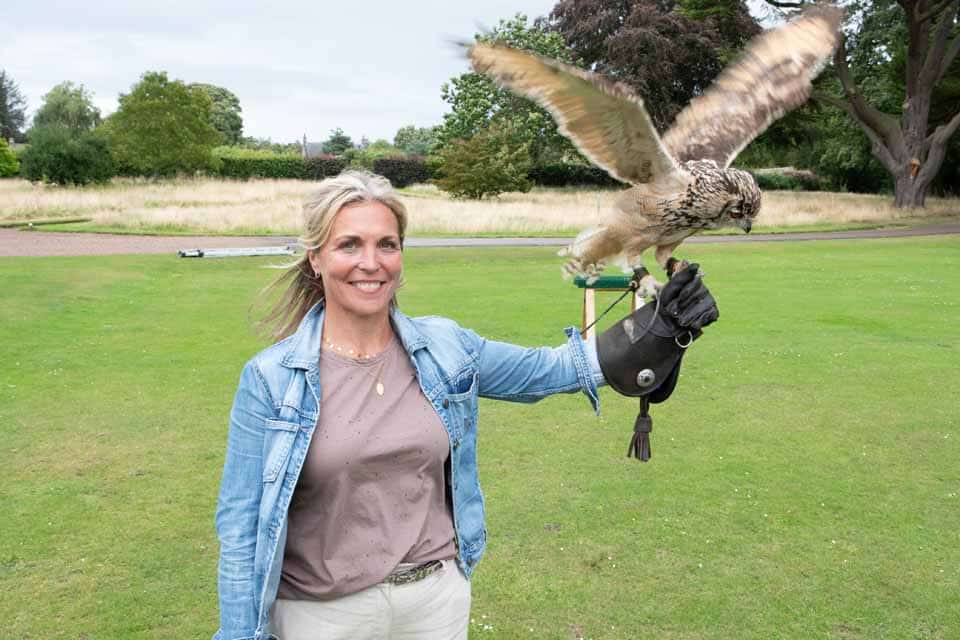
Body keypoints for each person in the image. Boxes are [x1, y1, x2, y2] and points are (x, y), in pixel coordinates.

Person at [213, 170, 718, 640]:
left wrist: (657, 332)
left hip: (435, 603)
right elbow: (240, 530)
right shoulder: (271, 378)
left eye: (387, 244)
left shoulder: (446, 347)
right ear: (316, 257)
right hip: (323, 614)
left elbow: (551, 370)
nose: (372, 262)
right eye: (350, 244)